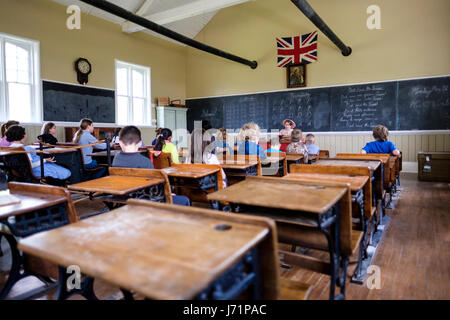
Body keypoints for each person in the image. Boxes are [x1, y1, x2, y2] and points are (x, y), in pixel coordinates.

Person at [112, 126, 190, 206]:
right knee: (185, 200)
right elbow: (154, 189)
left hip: (124, 198)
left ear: (120, 143)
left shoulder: (116, 159)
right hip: (145, 200)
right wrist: (167, 194)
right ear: (140, 143)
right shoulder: (145, 162)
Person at [7, 125, 71, 181]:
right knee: (66, 172)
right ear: (22, 136)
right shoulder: (24, 149)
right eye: (25, 134)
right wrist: (45, 160)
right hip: (36, 170)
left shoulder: (8, 149)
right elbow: (29, 165)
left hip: (20, 172)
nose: (26, 136)